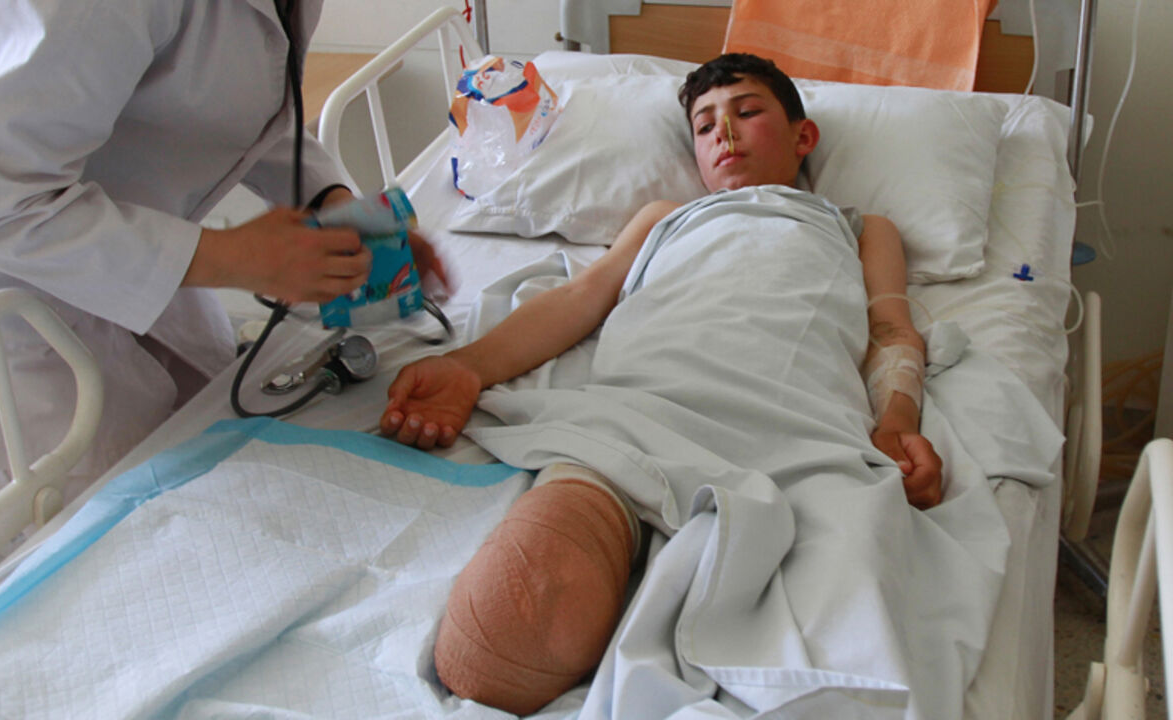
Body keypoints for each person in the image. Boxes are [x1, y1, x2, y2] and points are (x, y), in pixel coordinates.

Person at [378, 54, 943, 714]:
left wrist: (898, 419)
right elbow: (581, 299)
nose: (724, 133)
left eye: (748, 112)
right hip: (640, 404)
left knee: (829, 654)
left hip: (785, 415)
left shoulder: (860, 228)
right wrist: (469, 366)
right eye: (704, 125)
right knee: (506, 626)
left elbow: (892, 330)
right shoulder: (663, 217)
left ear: (803, 136)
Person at [0, 0, 446, 493]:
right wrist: (235, 257)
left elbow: (239, 99)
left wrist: (330, 203)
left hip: (122, 219)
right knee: (76, 513)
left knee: (204, 440)